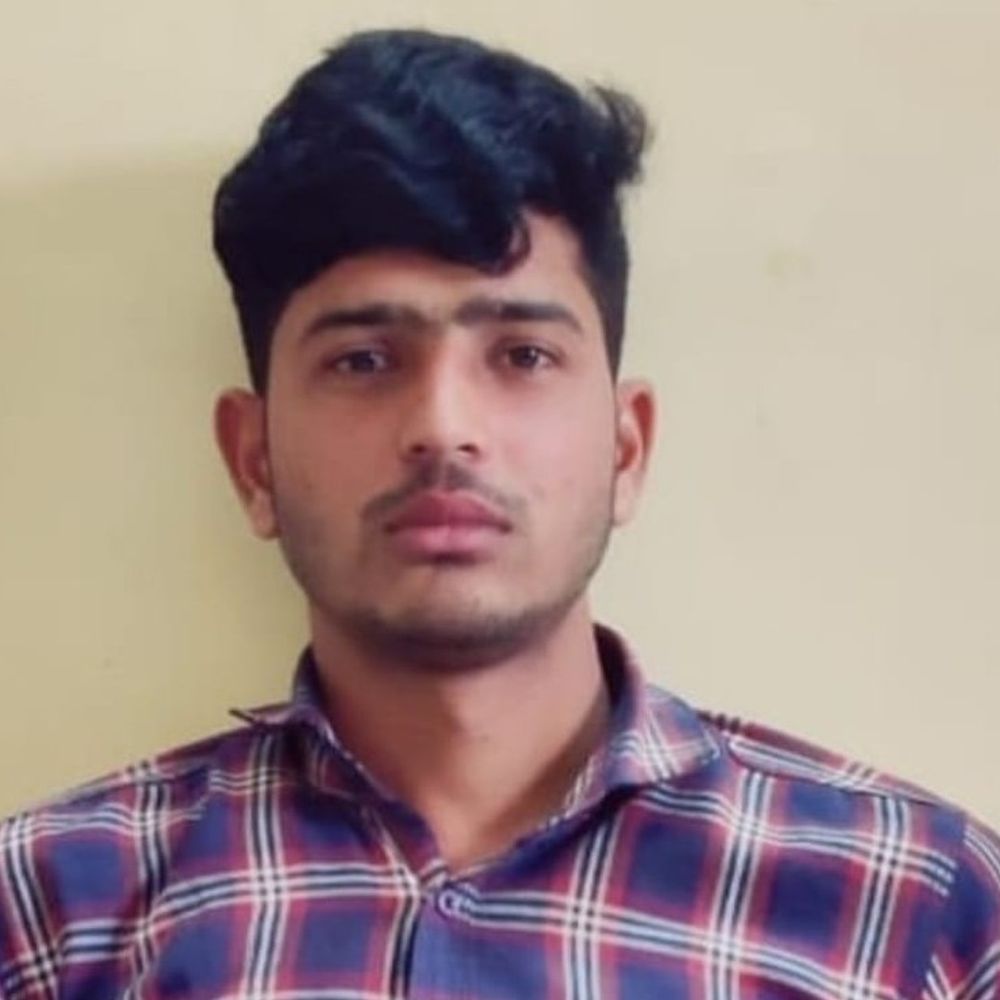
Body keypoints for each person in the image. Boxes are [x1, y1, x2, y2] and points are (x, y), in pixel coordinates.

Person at [1, 27, 998, 999]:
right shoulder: (47, 916)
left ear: (625, 447)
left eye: (523, 355)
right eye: (363, 360)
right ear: (253, 460)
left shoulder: (915, 912)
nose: (444, 428)